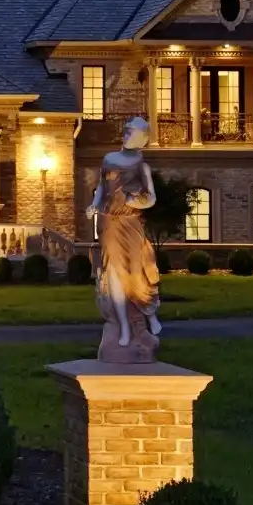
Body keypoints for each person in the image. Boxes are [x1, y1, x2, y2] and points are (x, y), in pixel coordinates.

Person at [84, 116, 162, 363]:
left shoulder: (142, 166)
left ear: (143, 139)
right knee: (114, 273)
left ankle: (149, 314)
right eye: (127, 131)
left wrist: (136, 201)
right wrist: (94, 206)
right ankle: (124, 328)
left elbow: (151, 197)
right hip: (109, 223)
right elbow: (101, 189)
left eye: (134, 133)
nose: (128, 135)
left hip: (131, 223)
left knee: (139, 270)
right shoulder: (109, 160)